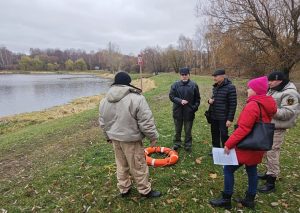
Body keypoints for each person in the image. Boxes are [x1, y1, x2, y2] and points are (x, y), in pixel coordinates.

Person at [209, 76, 277, 210]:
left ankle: (226, 198)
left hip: (247, 145)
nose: (247, 90)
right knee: (252, 170)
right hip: (259, 145)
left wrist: (228, 144)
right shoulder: (267, 103)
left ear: (256, 90)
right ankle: (250, 199)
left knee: (228, 169)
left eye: (249, 88)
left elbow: (243, 129)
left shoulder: (253, 105)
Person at [99, 71, 161, 198]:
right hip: (131, 140)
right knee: (138, 166)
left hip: (115, 139)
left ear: (115, 83)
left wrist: (107, 137)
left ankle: (124, 189)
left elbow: (102, 122)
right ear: (128, 83)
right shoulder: (137, 98)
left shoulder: (104, 101)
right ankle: (145, 191)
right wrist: (153, 137)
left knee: (121, 165)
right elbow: (146, 121)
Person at [258, 71, 300, 193]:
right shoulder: (274, 89)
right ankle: (268, 172)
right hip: (269, 125)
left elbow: (288, 113)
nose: (269, 82)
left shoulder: (290, 94)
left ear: (279, 80)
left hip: (277, 128)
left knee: (273, 153)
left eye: (271, 80)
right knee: (267, 151)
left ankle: (271, 181)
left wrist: (269, 109)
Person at [169, 67, 201, 152]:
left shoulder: (194, 85)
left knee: (188, 130)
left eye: (186, 74)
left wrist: (193, 108)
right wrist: (180, 101)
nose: (184, 76)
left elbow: (197, 99)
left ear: (189, 75)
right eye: (182, 75)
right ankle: (177, 143)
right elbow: (171, 96)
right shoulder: (175, 85)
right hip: (177, 112)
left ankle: (188, 145)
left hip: (189, 112)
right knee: (177, 130)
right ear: (180, 75)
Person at [208, 69, 237, 152]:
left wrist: (230, 119)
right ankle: (216, 149)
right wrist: (209, 101)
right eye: (214, 76)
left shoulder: (230, 87)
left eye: (216, 76)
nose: (214, 78)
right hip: (214, 115)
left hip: (223, 117)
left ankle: (225, 149)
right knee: (214, 133)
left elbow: (233, 104)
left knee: (224, 134)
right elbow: (213, 98)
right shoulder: (215, 86)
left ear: (223, 76)